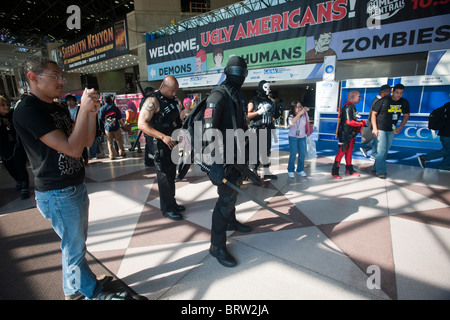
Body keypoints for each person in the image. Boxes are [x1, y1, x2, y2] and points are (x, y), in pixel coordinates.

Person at [13, 56, 130, 300]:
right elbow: (71, 148)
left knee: (75, 245)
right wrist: (84, 111)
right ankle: (91, 292)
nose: (61, 81)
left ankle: (73, 288)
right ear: (32, 78)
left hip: (73, 185)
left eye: (61, 76)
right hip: (57, 191)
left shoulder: (56, 107)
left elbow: (85, 142)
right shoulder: (27, 110)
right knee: (74, 248)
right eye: (54, 76)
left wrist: (87, 112)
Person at [204, 56, 252, 268]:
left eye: (242, 74)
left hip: (237, 156)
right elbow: (207, 130)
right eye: (239, 73)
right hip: (221, 158)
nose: (241, 77)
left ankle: (232, 221)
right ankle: (217, 246)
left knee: (233, 195)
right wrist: (214, 162)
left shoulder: (238, 96)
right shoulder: (218, 95)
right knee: (224, 201)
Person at [137, 76, 185, 221]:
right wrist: (162, 136)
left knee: (171, 175)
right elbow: (142, 124)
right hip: (160, 145)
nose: (174, 94)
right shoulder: (152, 101)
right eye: (172, 91)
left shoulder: (171, 100)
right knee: (164, 176)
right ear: (163, 87)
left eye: (176, 91)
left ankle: (172, 202)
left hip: (172, 143)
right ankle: (167, 209)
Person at [371, 83, 410, 179]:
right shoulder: (383, 101)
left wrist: (400, 127)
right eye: (397, 93)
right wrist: (375, 128)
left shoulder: (404, 102)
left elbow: (406, 115)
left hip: (392, 129)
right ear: (393, 92)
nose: (399, 95)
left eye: (401, 93)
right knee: (381, 150)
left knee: (385, 150)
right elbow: (373, 114)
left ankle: (376, 166)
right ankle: (381, 171)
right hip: (380, 128)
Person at [247, 80, 279, 179]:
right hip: (255, 130)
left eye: (269, 88)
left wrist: (273, 130)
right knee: (254, 151)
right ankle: (253, 172)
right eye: (266, 87)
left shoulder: (271, 102)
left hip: (267, 129)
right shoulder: (253, 100)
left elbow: (274, 115)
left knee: (266, 151)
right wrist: (259, 112)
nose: (268, 89)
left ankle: (267, 171)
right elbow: (247, 115)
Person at [0, 95, 30, 199]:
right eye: (2, 105)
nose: (6, 107)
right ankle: (19, 181)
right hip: (4, 150)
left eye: (7, 105)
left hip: (17, 146)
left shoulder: (14, 114)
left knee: (20, 166)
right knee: (10, 168)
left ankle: (24, 186)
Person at [331, 90, 366, 179]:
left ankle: (349, 169)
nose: (360, 98)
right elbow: (349, 121)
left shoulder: (352, 107)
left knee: (349, 152)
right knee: (342, 152)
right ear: (353, 97)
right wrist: (360, 123)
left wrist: (358, 125)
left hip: (350, 134)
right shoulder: (348, 107)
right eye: (359, 96)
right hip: (344, 134)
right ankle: (334, 170)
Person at [360, 85, 391, 160]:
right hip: (377, 124)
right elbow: (374, 114)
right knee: (378, 139)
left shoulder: (380, 99)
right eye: (388, 91)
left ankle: (367, 149)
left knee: (377, 139)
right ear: (383, 91)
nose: (389, 93)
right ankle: (373, 155)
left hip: (378, 124)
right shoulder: (378, 100)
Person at [418, 102, 450, 172]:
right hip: (447, 134)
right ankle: (425, 157)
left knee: (448, 150)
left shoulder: (446, 106)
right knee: (447, 150)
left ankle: (445, 166)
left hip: (444, 133)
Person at [287, 100, 311, 178]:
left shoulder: (305, 114)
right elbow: (291, 123)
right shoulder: (291, 115)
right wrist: (300, 114)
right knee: (293, 154)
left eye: (300, 106)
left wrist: (308, 131)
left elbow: (307, 122)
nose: (299, 108)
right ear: (293, 108)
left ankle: (300, 170)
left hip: (302, 136)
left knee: (302, 154)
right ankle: (291, 170)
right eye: (297, 107)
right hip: (293, 137)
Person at [99, 95, 126, 160]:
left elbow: (101, 119)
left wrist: (105, 125)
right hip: (116, 127)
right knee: (119, 140)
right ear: (111, 100)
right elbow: (120, 118)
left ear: (104, 101)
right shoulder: (115, 108)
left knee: (109, 142)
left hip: (108, 128)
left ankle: (112, 155)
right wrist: (123, 125)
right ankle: (121, 152)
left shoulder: (102, 109)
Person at [66, 94, 89, 164]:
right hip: (71, 130)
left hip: (80, 129)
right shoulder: (65, 111)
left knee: (82, 144)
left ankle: (85, 158)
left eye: (71, 100)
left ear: (75, 101)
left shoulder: (79, 109)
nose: (69, 102)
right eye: (68, 101)